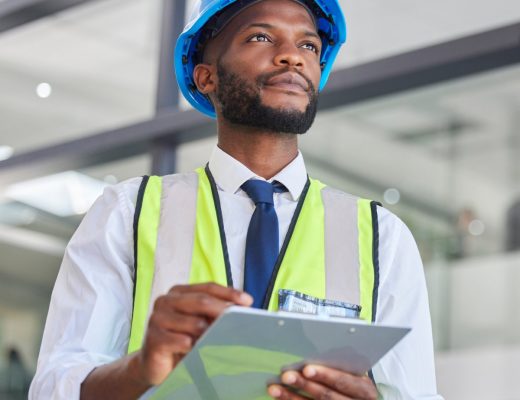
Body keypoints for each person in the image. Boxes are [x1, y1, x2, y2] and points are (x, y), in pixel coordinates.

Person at [29, 0, 442, 399]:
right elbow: (54, 388)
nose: (291, 57)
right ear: (206, 77)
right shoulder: (127, 214)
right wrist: (140, 369)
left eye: (308, 45)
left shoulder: (381, 238)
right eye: (261, 37)